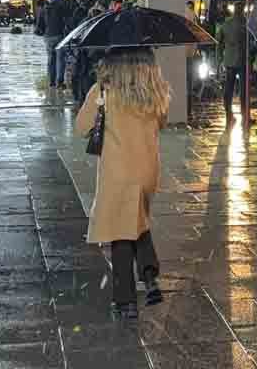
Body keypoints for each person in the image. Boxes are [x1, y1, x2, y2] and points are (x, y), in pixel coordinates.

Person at [75, 48, 169, 318]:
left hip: (119, 170)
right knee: (136, 218)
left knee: (120, 232)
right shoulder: (154, 89)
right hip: (148, 168)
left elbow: (81, 127)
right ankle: (149, 275)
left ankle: (125, 299)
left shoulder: (104, 90)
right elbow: (161, 122)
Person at [216, 2, 247, 118]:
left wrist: (219, 58)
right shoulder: (247, 23)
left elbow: (219, 43)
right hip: (243, 60)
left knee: (229, 87)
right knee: (243, 89)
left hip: (230, 60)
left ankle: (228, 112)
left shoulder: (226, 24)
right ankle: (244, 113)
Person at [39, 0, 69, 88]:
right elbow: (67, 22)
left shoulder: (43, 9)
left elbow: (40, 26)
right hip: (60, 36)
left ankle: (51, 82)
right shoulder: (62, 8)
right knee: (60, 59)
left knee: (51, 59)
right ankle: (59, 82)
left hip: (48, 37)